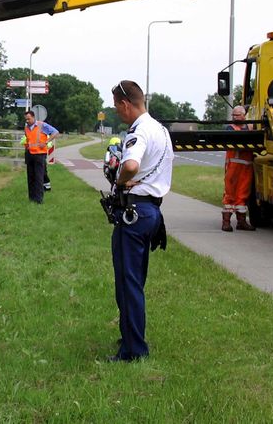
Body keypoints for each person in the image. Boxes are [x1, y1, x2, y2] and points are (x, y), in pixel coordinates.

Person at [108, 80, 172, 362]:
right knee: (135, 281)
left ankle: (133, 350)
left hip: (134, 213)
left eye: (116, 107)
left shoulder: (138, 131)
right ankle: (131, 336)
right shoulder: (161, 129)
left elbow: (131, 164)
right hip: (152, 212)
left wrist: (122, 179)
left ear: (125, 104)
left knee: (127, 283)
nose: (116, 113)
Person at [221, 105, 255, 232]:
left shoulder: (250, 127)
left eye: (237, 115)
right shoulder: (230, 128)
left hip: (246, 167)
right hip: (233, 168)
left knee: (243, 195)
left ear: (243, 115)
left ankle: (241, 221)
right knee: (230, 194)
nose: (234, 117)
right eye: (233, 115)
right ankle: (226, 222)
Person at [23, 110, 58, 203]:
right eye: (26, 119)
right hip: (30, 154)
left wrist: (46, 142)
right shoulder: (26, 127)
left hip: (39, 154)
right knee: (30, 177)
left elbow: (55, 132)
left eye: (29, 119)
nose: (27, 121)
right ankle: (32, 198)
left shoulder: (42, 125)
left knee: (39, 178)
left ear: (33, 117)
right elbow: (28, 139)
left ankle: (39, 200)